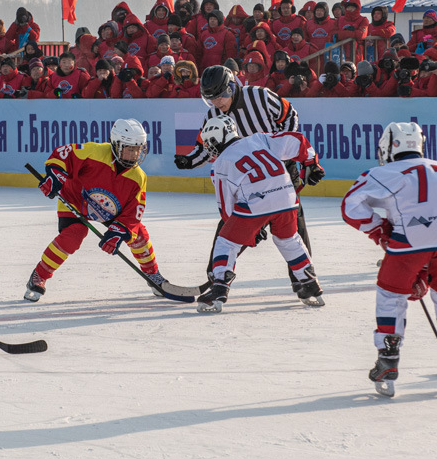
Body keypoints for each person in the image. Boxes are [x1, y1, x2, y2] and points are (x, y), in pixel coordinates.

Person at [340, 122, 437, 397]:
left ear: (388, 146)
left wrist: (380, 232)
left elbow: (350, 205)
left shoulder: (382, 171)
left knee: (391, 293)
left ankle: (388, 359)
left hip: (414, 235)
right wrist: (424, 272)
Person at [175, 65, 316, 280]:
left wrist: (280, 154)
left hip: (278, 171)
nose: (216, 103)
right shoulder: (213, 114)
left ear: (231, 88)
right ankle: (216, 275)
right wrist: (189, 160)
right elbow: (205, 147)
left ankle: (303, 277)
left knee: (293, 223)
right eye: (211, 98)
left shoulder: (260, 96)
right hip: (245, 182)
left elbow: (290, 115)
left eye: (220, 96)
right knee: (230, 226)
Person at [25, 119, 174, 302]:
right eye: (129, 148)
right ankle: (40, 275)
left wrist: (118, 232)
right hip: (75, 199)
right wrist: (54, 176)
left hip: (110, 211)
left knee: (139, 235)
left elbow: (134, 212)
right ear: (116, 145)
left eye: (138, 149)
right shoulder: (94, 152)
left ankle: (153, 276)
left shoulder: (138, 177)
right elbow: (64, 155)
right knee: (74, 235)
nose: (135, 154)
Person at [194, 115, 324, 314]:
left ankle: (219, 287)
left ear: (215, 140)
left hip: (256, 203)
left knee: (226, 242)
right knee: (288, 239)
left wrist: (249, 231)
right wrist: (310, 162)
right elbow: (297, 139)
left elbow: (226, 210)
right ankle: (309, 282)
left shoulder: (220, 164)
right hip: (287, 197)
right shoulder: (259, 139)